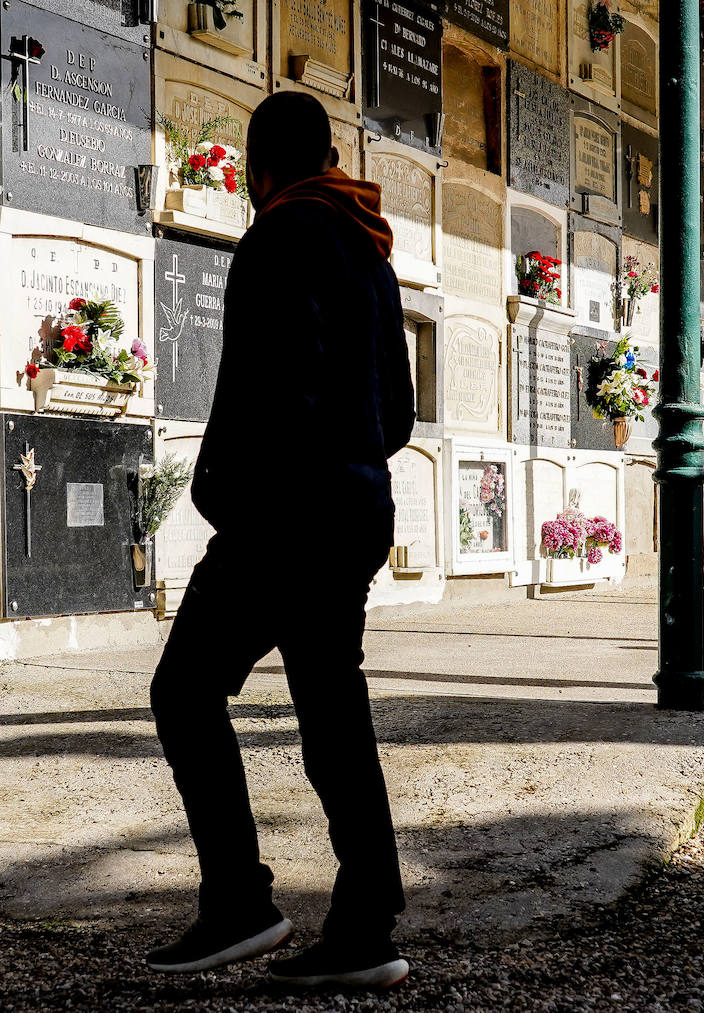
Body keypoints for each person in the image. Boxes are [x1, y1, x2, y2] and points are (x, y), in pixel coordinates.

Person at [145, 91, 415, 988]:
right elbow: (397, 413)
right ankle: (367, 925)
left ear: (257, 170)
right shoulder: (369, 248)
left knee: (185, 690)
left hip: (285, 516)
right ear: (327, 157)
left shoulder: (281, 234)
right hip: (354, 509)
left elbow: (273, 391)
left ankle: (239, 901)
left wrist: (229, 493)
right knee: (334, 713)